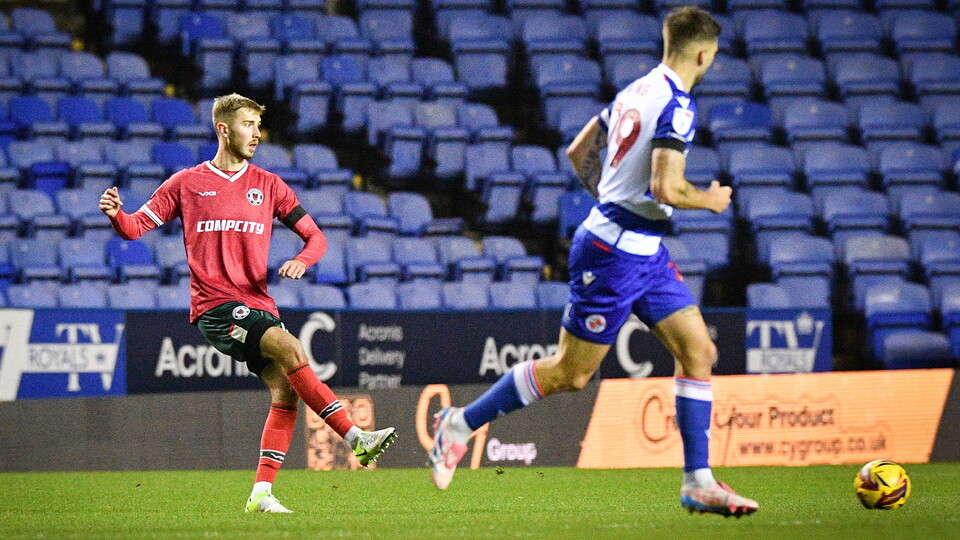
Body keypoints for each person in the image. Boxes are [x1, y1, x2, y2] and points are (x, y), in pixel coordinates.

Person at [429, 6, 758, 517]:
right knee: (571, 373)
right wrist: (710, 200)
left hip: (644, 250)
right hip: (613, 253)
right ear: (702, 54)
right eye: (712, 55)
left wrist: (611, 200)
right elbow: (666, 187)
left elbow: (580, 150)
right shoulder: (677, 105)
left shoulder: (635, 91)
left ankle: (698, 481)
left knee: (699, 352)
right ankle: (460, 424)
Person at [100, 93, 397, 514]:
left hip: (259, 304)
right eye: (247, 125)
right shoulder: (185, 183)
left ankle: (261, 494)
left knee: (286, 392)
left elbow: (316, 237)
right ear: (223, 129)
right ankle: (356, 438)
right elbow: (133, 228)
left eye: (258, 125)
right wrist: (117, 214)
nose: (256, 134)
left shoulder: (269, 185)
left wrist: (302, 259)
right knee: (291, 348)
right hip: (216, 307)